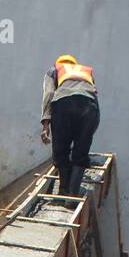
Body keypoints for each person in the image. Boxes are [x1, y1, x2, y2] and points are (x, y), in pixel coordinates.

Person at [40, 54, 101, 199]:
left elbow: (49, 93)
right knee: (80, 153)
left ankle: (63, 192)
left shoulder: (54, 70)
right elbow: (94, 94)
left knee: (61, 151)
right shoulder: (86, 72)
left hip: (64, 104)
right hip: (90, 107)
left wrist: (45, 124)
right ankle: (72, 196)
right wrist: (88, 132)